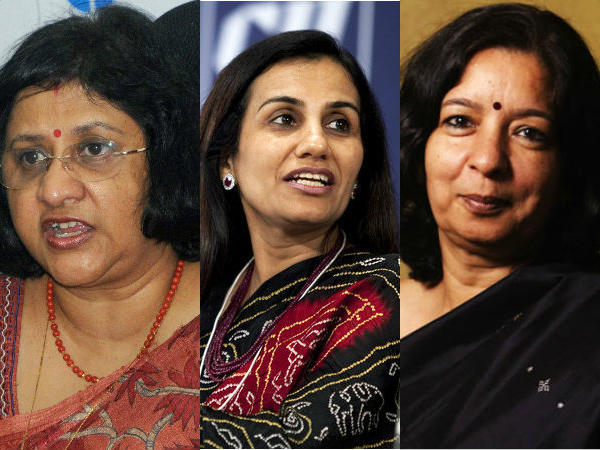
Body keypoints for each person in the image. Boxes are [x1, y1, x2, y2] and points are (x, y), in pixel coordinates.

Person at [400, 3, 600, 447]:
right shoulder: (358, 321)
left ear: (570, 168)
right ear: (418, 144)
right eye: (460, 122)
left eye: (529, 133)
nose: (489, 159)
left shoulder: (586, 328)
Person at [0, 5, 200, 449]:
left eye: (94, 149)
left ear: (165, 160)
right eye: (31, 157)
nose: (54, 191)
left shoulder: (248, 331)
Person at [200, 30, 399, 448]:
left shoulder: (385, 291)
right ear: (227, 159)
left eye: (339, 124)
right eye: (285, 119)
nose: (316, 143)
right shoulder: (202, 298)